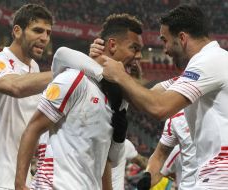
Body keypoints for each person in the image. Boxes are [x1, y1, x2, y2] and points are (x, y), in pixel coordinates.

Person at [87, 4, 228, 189]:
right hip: (214, 174)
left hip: (223, 175)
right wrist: (103, 61)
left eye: (165, 40)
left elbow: (159, 108)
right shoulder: (207, 66)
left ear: (182, 38)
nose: (164, 50)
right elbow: (150, 96)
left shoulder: (210, 61)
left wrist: (120, 75)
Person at [15, 13, 143, 190]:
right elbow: (34, 128)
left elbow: (103, 160)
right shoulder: (75, 79)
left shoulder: (115, 101)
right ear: (112, 45)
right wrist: (20, 184)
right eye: (134, 48)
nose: (139, 56)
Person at [0, 4, 53, 189]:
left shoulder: (35, 69)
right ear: (17, 31)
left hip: (21, 179)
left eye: (48, 33)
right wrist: (66, 72)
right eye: (38, 30)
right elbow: (16, 87)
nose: (44, 38)